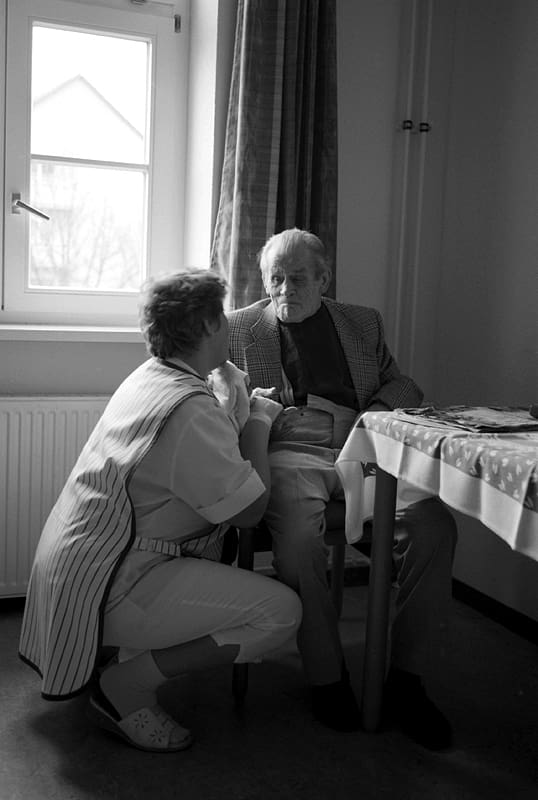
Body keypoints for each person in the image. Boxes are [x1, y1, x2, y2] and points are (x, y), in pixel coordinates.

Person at [19, 269, 302, 753]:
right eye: (222, 319)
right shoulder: (189, 410)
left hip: (79, 572)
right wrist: (258, 418)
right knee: (280, 614)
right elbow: (250, 510)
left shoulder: (152, 377)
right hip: (112, 585)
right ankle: (124, 688)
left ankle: (125, 655)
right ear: (211, 326)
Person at [227, 228, 458, 750]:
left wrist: (374, 413)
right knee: (299, 542)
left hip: (361, 445)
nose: (285, 288)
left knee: (434, 527)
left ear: (324, 278)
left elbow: (403, 384)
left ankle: (406, 681)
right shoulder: (238, 327)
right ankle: (327, 679)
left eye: (299, 277)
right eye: (276, 278)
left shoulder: (362, 321)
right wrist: (247, 404)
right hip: (287, 447)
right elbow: (219, 400)